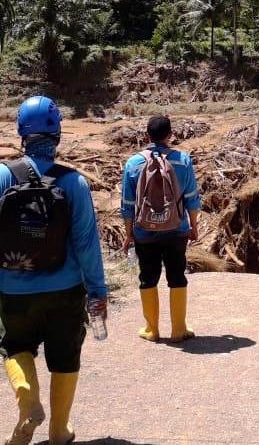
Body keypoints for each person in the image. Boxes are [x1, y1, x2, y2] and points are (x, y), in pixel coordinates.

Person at [0, 96, 107, 445]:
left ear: (22, 133)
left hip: (13, 289)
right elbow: (87, 244)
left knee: (15, 345)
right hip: (66, 289)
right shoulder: (74, 183)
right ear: (57, 133)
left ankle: (28, 400)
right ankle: (59, 431)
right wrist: (97, 290)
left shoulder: (2, 176)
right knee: (65, 356)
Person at [121, 116, 201, 343]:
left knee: (148, 277)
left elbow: (127, 205)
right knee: (176, 275)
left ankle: (152, 329)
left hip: (144, 231)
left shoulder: (133, 163)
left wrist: (128, 234)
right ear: (170, 134)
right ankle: (178, 329)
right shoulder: (182, 160)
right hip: (176, 229)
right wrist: (193, 226)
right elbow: (192, 199)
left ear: (147, 135)